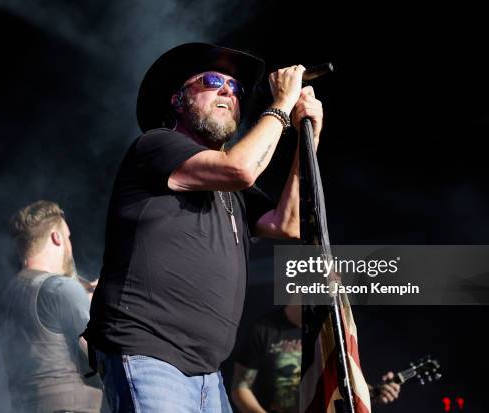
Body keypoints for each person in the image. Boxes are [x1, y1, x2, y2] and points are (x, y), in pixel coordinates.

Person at [83, 42, 323, 413]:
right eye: (213, 81)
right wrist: (281, 104)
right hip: (149, 353)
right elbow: (240, 169)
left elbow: (288, 223)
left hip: (207, 374)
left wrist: (310, 136)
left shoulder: (233, 191)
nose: (229, 90)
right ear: (178, 101)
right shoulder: (157, 146)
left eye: (237, 88)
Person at [0, 200, 103, 413]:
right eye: (68, 237)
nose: (70, 247)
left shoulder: (7, 297)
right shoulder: (60, 289)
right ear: (57, 237)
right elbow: (103, 354)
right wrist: (102, 306)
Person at [231, 305, 401, 413]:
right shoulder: (264, 329)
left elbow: (337, 380)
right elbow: (240, 388)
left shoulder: (328, 332)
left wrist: (372, 391)